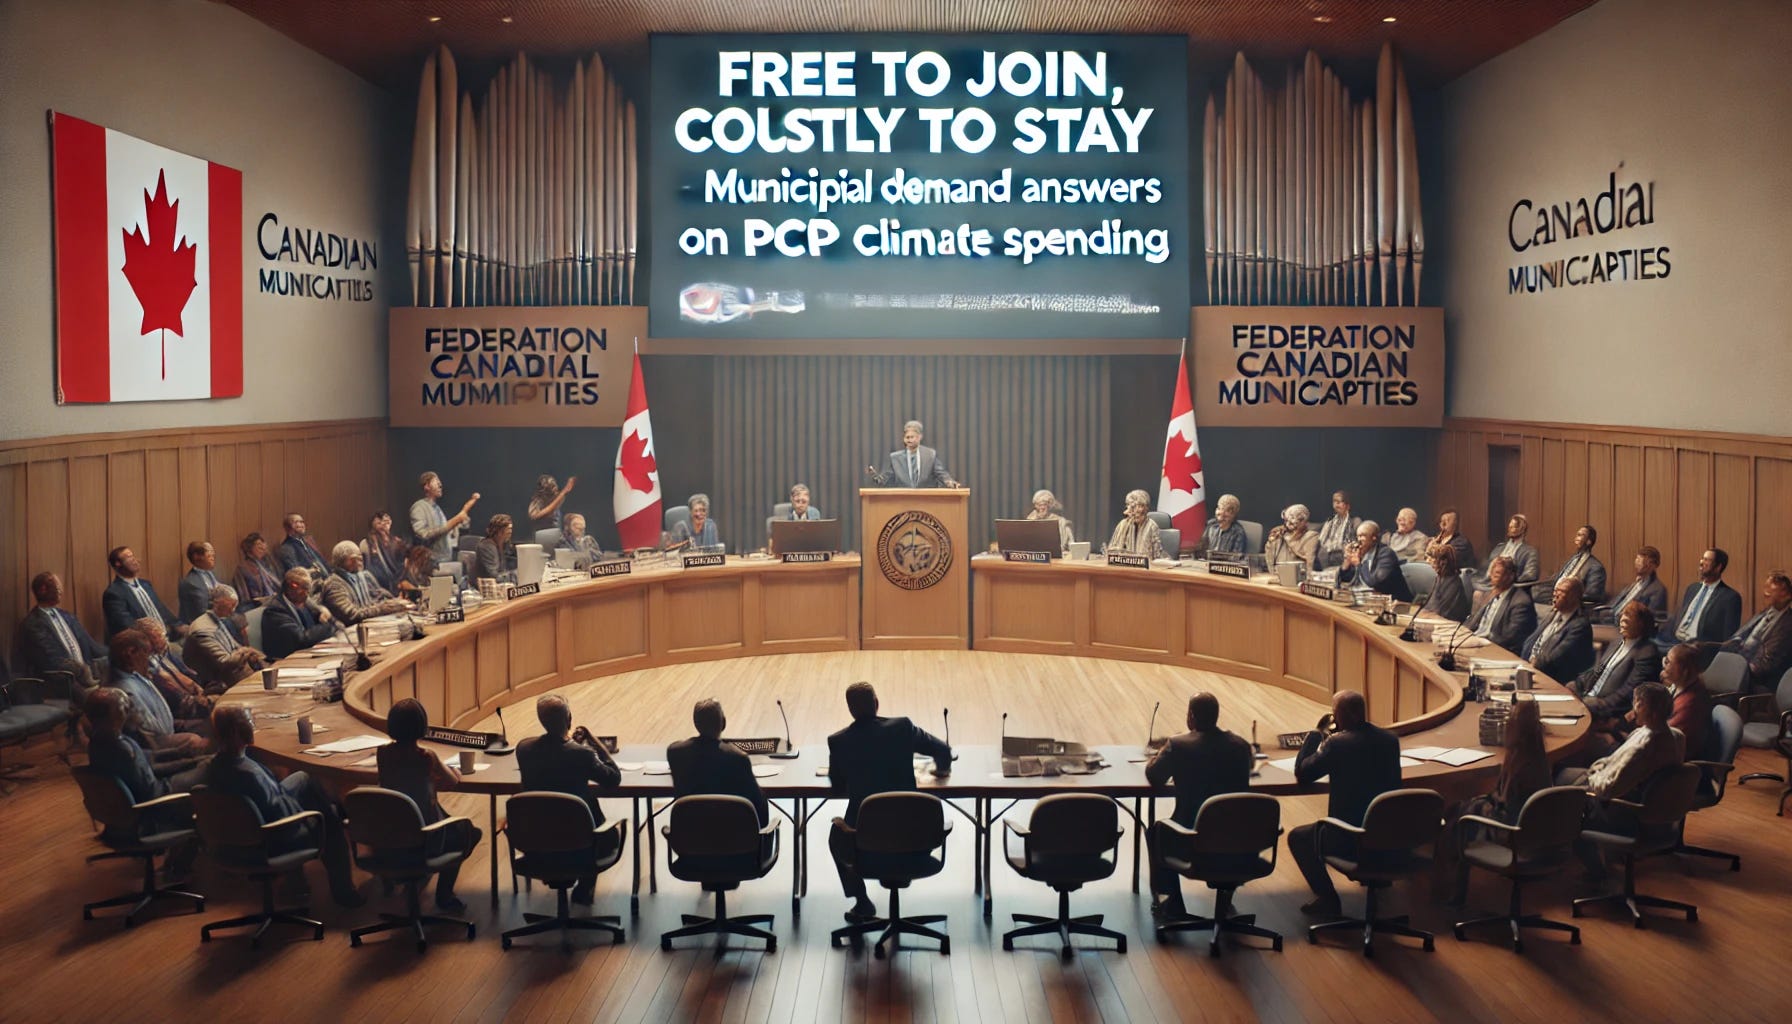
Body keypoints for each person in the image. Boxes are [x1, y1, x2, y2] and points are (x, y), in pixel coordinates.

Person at [204, 704, 364, 907]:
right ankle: (344, 893)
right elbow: (282, 816)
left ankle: (297, 887)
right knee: (329, 819)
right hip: (273, 838)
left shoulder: (213, 767)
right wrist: (310, 813)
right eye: (250, 722)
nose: (253, 726)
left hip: (231, 839)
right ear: (237, 731)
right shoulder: (250, 774)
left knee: (303, 778)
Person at [826, 682, 952, 922]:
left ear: (850, 710)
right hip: (915, 840)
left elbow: (838, 786)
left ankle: (861, 902)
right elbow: (942, 750)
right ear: (876, 704)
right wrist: (942, 771)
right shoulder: (902, 728)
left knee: (836, 836)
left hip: (863, 844)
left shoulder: (839, 742)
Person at [1289, 690, 1403, 916]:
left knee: (1298, 837)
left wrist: (1315, 734)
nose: (1334, 718)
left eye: (1335, 713)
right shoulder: (1390, 740)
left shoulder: (1338, 744)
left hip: (1348, 839)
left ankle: (1328, 899)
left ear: (1345, 715)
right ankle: (1379, 881)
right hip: (1389, 837)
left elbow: (1303, 773)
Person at [1556, 683, 1684, 879]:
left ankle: (1598, 873)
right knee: (1566, 774)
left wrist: (1592, 775)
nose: (1633, 711)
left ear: (1644, 707)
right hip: (1654, 810)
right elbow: (1616, 762)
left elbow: (1607, 789)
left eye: (1637, 704)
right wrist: (1599, 768)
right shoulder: (1675, 736)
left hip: (1623, 810)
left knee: (1563, 796)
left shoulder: (1643, 747)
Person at [1143, 692, 1253, 917]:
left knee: (1157, 833)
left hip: (1190, 842)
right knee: (1225, 829)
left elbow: (1154, 776)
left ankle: (1171, 903)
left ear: (1191, 716)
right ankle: (1225, 900)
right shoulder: (1241, 746)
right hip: (1237, 842)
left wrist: (1163, 750)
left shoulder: (1179, 745)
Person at [377, 699, 482, 911]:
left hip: (391, 833)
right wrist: (452, 772)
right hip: (426, 835)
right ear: (421, 726)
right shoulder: (426, 756)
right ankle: (444, 895)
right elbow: (452, 781)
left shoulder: (383, 754)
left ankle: (408, 881)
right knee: (468, 833)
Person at [515, 694, 622, 904]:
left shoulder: (524, 749)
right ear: (569, 718)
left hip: (538, 841)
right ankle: (584, 887)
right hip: (580, 844)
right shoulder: (581, 754)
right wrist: (593, 742)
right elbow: (613, 778)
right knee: (609, 834)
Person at [83, 688, 206, 849]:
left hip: (135, 803)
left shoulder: (99, 742)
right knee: (209, 769)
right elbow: (151, 783)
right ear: (110, 715)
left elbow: (149, 759)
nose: (126, 711)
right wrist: (194, 763)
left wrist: (181, 753)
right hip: (154, 802)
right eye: (121, 707)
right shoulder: (122, 748)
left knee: (203, 764)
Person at [105, 629, 207, 758]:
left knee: (212, 724)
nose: (148, 660)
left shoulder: (135, 675)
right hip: (156, 746)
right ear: (131, 653)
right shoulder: (124, 689)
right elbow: (153, 733)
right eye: (146, 653)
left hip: (168, 730)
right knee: (197, 741)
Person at [666, 698, 768, 825]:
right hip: (732, 838)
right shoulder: (738, 758)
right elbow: (759, 804)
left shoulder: (675, 752)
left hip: (690, 837)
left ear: (696, 723)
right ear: (723, 723)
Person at [1569, 604, 1663, 736]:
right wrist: (1579, 683)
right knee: (1569, 688)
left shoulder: (1647, 652)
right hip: (1591, 694)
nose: (1623, 620)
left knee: (1578, 708)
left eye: (1629, 617)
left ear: (1642, 624)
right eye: (1623, 616)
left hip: (1611, 706)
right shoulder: (1617, 641)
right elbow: (1599, 669)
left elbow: (1630, 690)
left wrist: (1602, 704)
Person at [17, 571, 106, 695]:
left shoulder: (68, 616)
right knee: (108, 700)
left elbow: (92, 647)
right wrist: (82, 673)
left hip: (89, 678)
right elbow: (52, 661)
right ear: (43, 590)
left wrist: (117, 651)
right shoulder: (33, 624)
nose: (61, 592)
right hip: (62, 683)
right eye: (58, 589)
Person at [1631, 643, 1711, 761]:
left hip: (1668, 762)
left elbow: (1659, 737)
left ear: (1684, 671)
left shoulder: (1690, 704)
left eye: (1668, 662)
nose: (1664, 665)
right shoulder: (1681, 684)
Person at [1717, 570, 1791, 693]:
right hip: (1739, 661)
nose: (1765, 592)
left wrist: (1738, 669)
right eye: (1766, 587)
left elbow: (1767, 663)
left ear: (1787, 595)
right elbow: (1739, 637)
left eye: (1772, 588)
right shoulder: (1764, 613)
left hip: (1759, 677)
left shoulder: (1788, 624)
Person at [136, 617, 214, 735]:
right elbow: (178, 700)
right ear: (147, 642)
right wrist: (208, 700)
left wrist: (197, 688)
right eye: (160, 637)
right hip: (181, 714)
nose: (165, 640)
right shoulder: (147, 669)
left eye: (165, 635)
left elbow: (187, 674)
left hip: (194, 697)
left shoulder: (161, 654)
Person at [183, 584, 265, 691]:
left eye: (234, 606)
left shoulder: (217, 620)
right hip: (220, 683)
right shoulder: (202, 630)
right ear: (217, 603)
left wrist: (251, 654)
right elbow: (224, 662)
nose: (232, 611)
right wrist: (246, 651)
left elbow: (235, 648)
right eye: (230, 606)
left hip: (236, 675)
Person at [1663, 548, 1743, 648]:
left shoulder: (1730, 598)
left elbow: (1728, 638)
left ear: (1718, 567)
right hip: (1674, 641)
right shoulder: (1692, 589)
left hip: (1697, 648)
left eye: (1707, 560)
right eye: (1702, 559)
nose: (1701, 563)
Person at [102, 545, 184, 640]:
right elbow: (125, 625)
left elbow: (161, 609)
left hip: (167, 637)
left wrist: (179, 625)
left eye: (133, 556)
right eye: (129, 557)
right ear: (118, 563)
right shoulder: (114, 593)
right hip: (144, 644)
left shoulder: (145, 584)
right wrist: (153, 637)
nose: (135, 560)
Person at [1521, 577, 1595, 681]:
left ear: (1574, 597)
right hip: (1531, 669)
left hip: (1554, 678)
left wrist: (1534, 663)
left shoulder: (1580, 625)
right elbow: (1532, 641)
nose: (1555, 595)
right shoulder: (1554, 614)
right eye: (1555, 591)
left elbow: (1557, 657)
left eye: (1562, 592)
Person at [319, 540, 411, 624]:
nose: (361, 560)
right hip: (350, 634)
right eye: (359, 557)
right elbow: (352, 615)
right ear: (350, 560)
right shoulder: (334, 585)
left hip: (373, 626)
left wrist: (395, 602)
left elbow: (380, 597)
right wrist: (382, 609)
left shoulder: (364, 576)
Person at [1463, 556, 1537, 651]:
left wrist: (1480, 643)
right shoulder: (1491, 593)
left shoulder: (1521, 603)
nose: (1492, 575)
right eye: (1492, 572)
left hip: (1496, 649)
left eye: (1497, 573)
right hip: (1477, 640)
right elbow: (1474, 621)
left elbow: (1510, 638)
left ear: (1510, 576)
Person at [262, 568, 336, 660]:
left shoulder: (303, 603)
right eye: (304, 588)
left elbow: (332, 624)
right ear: (291, 588)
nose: (307, 593)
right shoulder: (275, 610)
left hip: (306, 655)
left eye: (309, 588)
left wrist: (324, 614)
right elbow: (300, 640)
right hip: (286, 661)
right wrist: (326, 626)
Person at [865, 420, 959, 489]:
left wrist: (949, 482)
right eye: (907, 437)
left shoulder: (930, 455)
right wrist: (873, 474)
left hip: (927, 500)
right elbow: (884, 480)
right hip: (903, 501)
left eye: (912, 437)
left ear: (919, 437)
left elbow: (941, 474)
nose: (909, 440)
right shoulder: (895, 458)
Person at [410, 471, 480, 562]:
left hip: (445, 560)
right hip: (431, 563)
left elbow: (445, 533)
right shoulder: (419, 507)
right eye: (436, 482)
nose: (440, 485)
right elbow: (423, 535)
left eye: (440, 483)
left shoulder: (437, 508)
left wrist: (460, 524)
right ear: (427, 486)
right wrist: (455, 520)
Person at [1338, 520, 1414, 602]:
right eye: (1358, 536)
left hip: (1395, 603)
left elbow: (1374, 583)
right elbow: (1345, 580)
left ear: (1374, 537)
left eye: (1362, 536)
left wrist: (1359, 564)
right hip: (1367, 599)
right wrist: (1347, 561)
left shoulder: (1386, 554)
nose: (1359, 540)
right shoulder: (1361, 552)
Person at [1539, 524, 1607, 604]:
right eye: (1577, 535)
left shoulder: (1596, 567)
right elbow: (1559, 579)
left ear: (1589, 542)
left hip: (1570, 601)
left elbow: (1593, 594)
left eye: (1580, 535)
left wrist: (1566, 595)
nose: (1576, 538)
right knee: (1532, 593)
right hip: (1555, 593)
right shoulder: (1573, 559)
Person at [1605, 545, 1670, 625]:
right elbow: (1615, 603)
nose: (1637, 563)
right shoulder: (1634, 584)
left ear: (1652, 566)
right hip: (1609, 618)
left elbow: (1651, 620)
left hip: (1626, 626)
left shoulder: (1658, 590)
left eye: (1641, 561)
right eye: (1637, 559)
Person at [1107, 489, 1167, 560]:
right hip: (1125, 567)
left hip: (1146, 569)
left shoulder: (1152, 526)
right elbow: (1112, 551)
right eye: (1132, 507)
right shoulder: (1122, 525)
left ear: (1146, 508)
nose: (1136, 512)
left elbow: (1157, 556)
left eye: (1140, 506)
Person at [1483, 514, 1541, 587]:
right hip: (1491, 584)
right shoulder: (1499, 548)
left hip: (1513, 587)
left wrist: (1510, 580)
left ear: (1522, 529)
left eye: (1514, 527)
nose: (1510, 528)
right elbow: (1488, 567)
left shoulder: (1530, 552)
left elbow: (1531, 574)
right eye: (1510, 526)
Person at [360, 511, 410, 594]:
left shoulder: (397, 542)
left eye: (387, 520)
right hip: (377, 587)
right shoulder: (367, 544)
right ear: (372, 526)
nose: (384, 524)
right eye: (379, 522)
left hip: (399, 585)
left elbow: (404, 563)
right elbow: (365, 569)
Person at [1421, 544, 1471, 622]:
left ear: (1443, 562)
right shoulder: (1439, 578)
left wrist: (1423, 615)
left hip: (1447, 623)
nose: (1428, 561)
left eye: (1432, 558)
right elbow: (1430, 605)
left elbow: (1441, 613)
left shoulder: (1454, 583)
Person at [177, 540, 223, 624]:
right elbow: (202, 611)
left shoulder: (210, 573)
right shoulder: (191, 582)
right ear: (197, 556)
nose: (213, 558)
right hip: (202, 623)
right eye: (210, 555)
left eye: (213, 555)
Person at [232, 532, 283, 605]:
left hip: (275, 601)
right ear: (249, 549)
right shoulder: (242, 568)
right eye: (258, 545)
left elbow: (279, 584)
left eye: (263, 544)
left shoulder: (268, 564)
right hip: (257, 606)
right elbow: (244, 597)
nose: (262, 547)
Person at [1314, 491, 1361, 570]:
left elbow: (1358, 541)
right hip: (1328, 555)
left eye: (1339, 502)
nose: (1336, 505)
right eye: (1334, 502)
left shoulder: (1355, 521)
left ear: (1348, 505)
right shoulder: (1330, 521)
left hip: (1344, 554)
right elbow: (1321, 539)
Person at [1264, 504, 1320, 570]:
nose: (1287, 525)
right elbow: (1270, 558)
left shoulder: (1311, 536)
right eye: (1286, 521)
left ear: (1303, 521)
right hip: (1277, 575)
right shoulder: (1280, 534)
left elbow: (1309, 563)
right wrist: (1271, 542)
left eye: (1291, 522)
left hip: (1298, 575)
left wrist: (1289, 539)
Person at [276, 512, 330, 577]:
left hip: (325, 578)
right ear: (287, 527)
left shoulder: (308, 542)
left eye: (302, 522)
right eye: (296, 522)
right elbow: (295, 572)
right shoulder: (286, 548)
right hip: (309, 582)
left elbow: (321, 561)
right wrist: (313, 570)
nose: (301, 524)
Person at [1023, 489, 1074, 555]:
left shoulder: (1061, 522)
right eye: (1039, 505)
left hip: (1057, 558)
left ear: (1049, 505)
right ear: (1035, 506)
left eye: (1045, 504)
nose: (1042, 507)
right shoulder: (1030, 521)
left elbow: (1072, 545)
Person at [475, 514, 518, 582]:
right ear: (499, 530)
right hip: (487, 587)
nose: (510, 532)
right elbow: (494, 577)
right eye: (508, 529)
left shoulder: (504, 545)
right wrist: (516, 574)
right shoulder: (486, 547)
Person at [1433, 507, 1476, 575]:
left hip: (1456, 577)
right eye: (1442, 521)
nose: (1443, 524)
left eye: (1447, 521)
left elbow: (1446, 560)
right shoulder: (1436, 540)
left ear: (1456, 524)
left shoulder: (1462, 542)